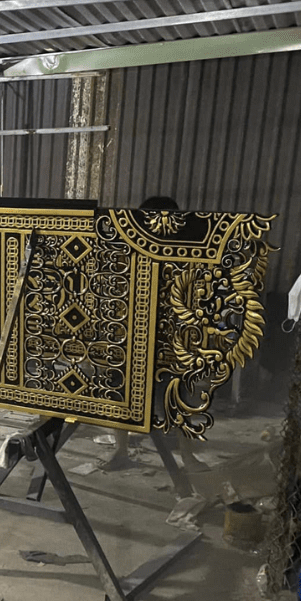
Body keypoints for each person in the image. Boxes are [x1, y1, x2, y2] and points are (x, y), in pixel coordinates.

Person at [100, 195, 209, 473]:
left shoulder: (184, 254)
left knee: (179, 396)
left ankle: (188, 457)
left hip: (171, 340)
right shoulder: (127, 251)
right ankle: (121, 451)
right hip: (131, 337)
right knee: (121, 394)